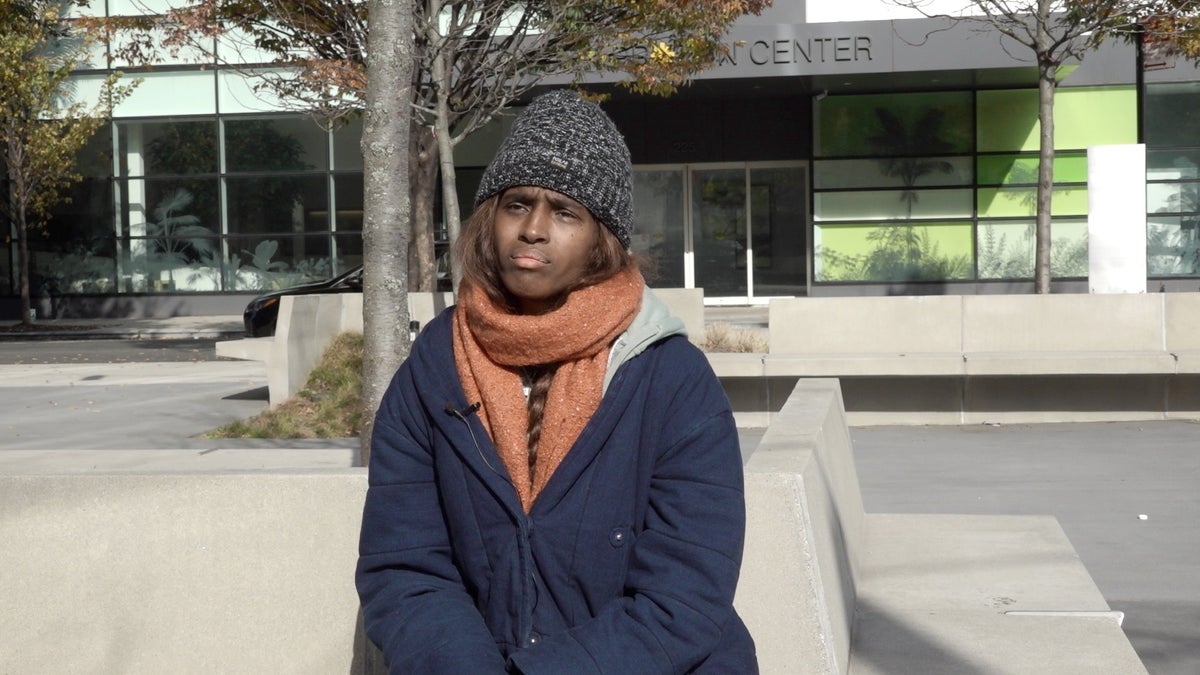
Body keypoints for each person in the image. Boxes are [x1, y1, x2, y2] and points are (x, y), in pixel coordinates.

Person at [356, 89, 757, 674]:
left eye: (565, 211)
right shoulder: (432, 372)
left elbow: (685, 594)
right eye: (518, 204)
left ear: (603, 238)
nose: (534, 229)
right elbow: (407, 568)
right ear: (491, 217)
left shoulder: (671, 378)